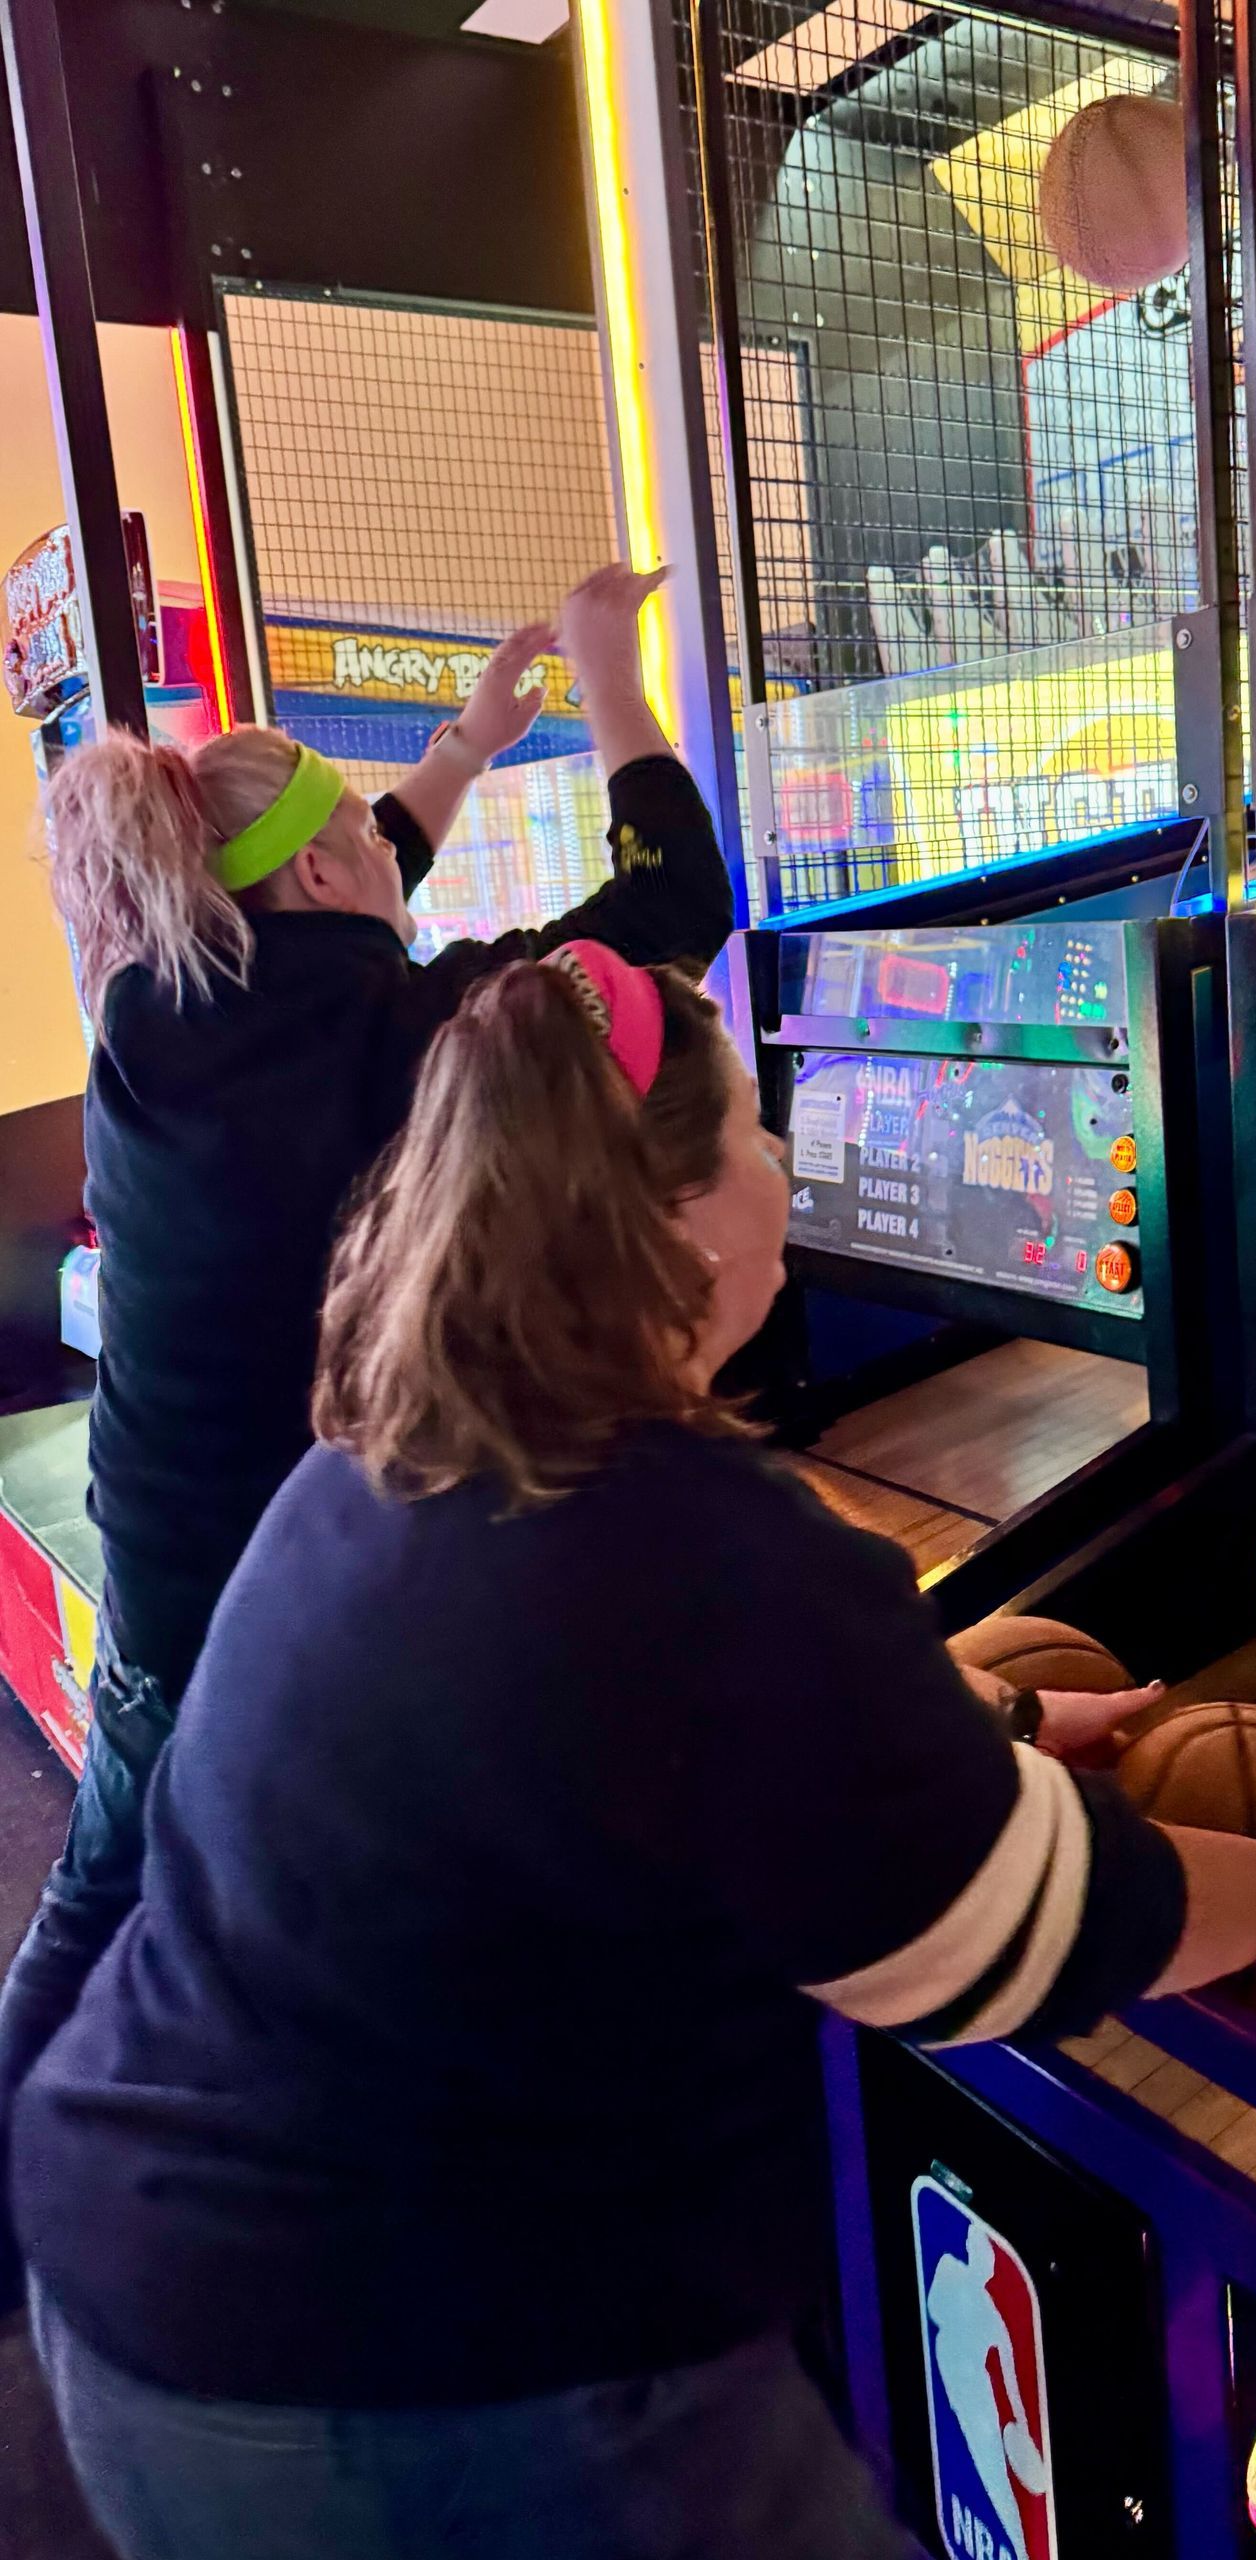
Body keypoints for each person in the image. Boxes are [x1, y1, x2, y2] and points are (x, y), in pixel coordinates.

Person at [11, 942, 1256, 2560]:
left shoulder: (396, 1450)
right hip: (407, 2371)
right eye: (746, 1131)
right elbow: (1021, 1933)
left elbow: (632, 1734)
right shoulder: (695, 1551)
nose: (782, 1161)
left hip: (150, 2294)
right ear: (661, 1223)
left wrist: (989, 1718)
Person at [0, 567, 734, 2305]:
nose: (394, 864)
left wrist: (467, 743)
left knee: (105, 1906)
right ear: (323, 877)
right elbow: (680, 898)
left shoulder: (158, 1021)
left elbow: (358, 863)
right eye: (365, 844)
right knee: (221, 1937)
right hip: (280, 1623)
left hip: (173, 1579)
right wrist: (615, 681)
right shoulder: (402, 1041)